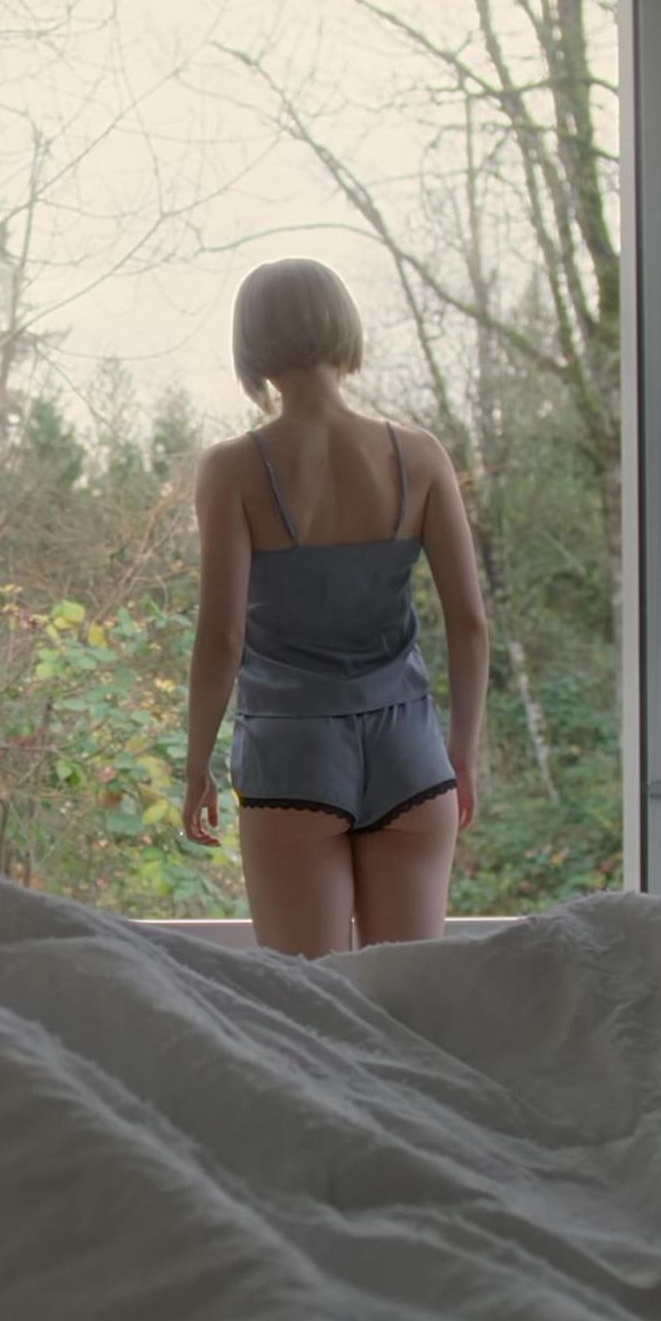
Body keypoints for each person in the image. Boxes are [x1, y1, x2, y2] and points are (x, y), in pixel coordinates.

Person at [181, 257, 489, 957]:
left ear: (251, 347)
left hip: (292, 755)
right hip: (411, 753)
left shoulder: (232, 470)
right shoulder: (420, 455)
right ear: (342, 328)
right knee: (404, 998)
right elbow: (470, 622)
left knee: (311, 1002)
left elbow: (222, 635)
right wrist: (462, 753)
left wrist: (197, 765)